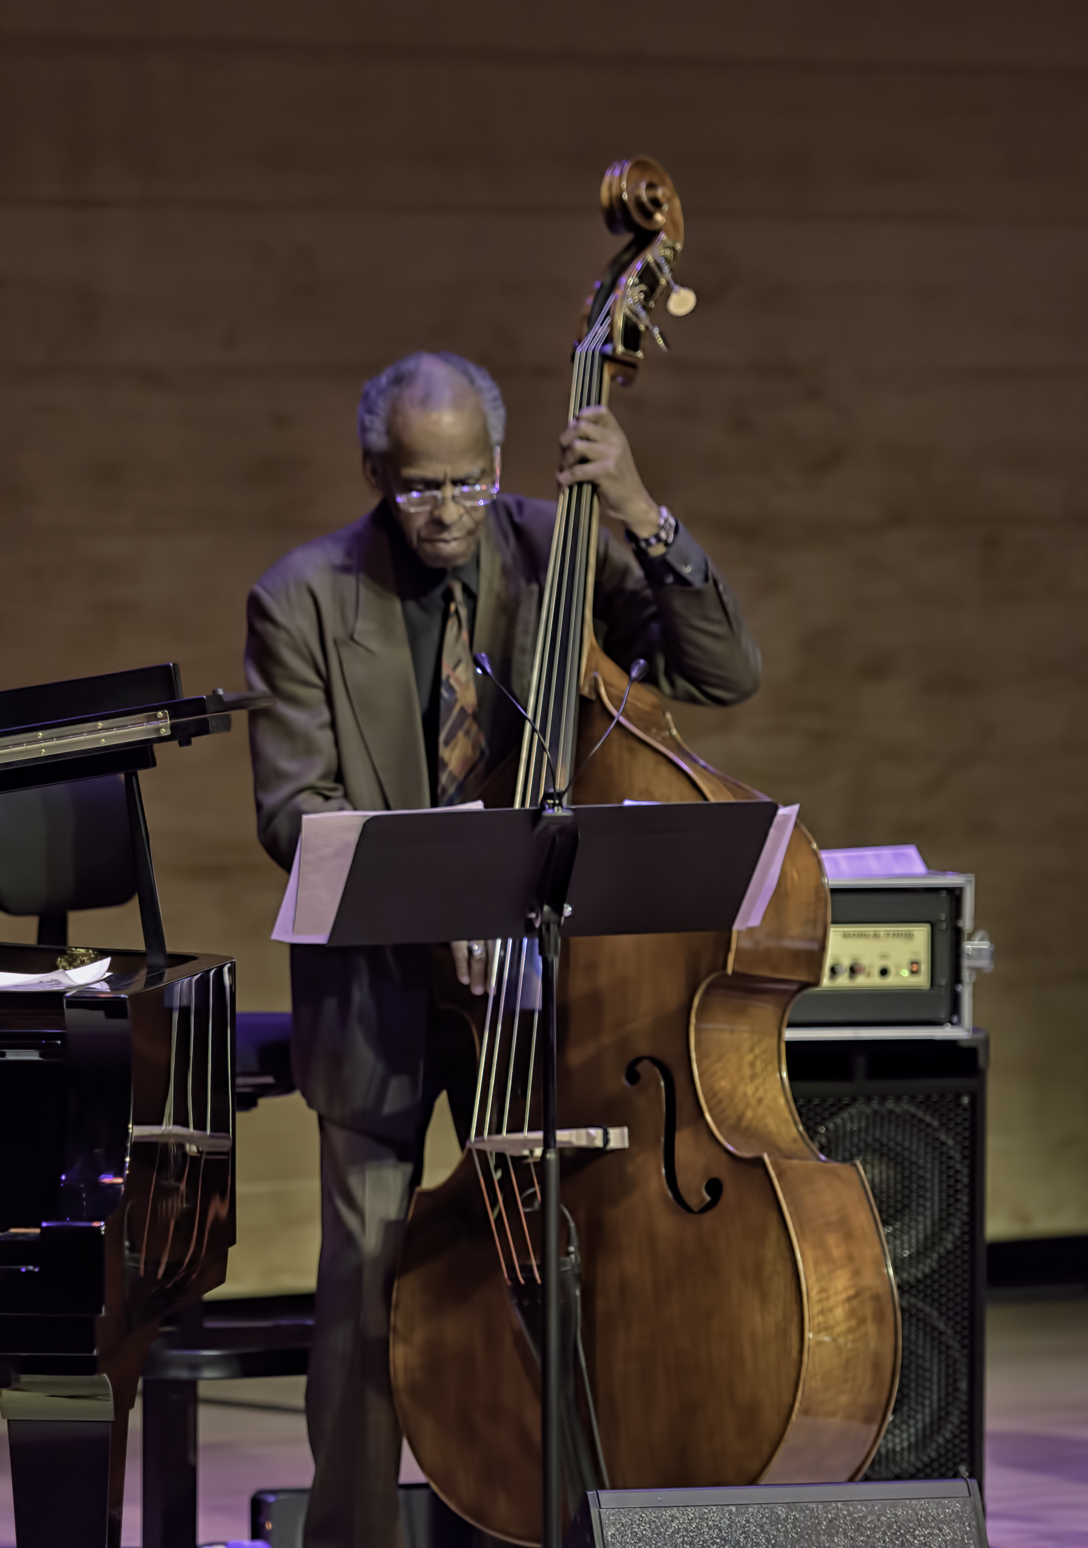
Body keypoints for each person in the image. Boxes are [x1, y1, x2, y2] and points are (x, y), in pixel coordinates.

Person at [243, 352, 763, 1548]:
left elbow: (724, 672)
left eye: (468, 485)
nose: (446, 513)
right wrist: (446, 907)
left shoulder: (560, 547)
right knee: (366, 1293)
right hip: (380, 994)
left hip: (544, 1001)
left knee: (556, 1278)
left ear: (498, 467)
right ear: (377, 472)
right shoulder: (301, 596)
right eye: (422, 488)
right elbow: (295, 814)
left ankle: (562, 1523)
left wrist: (639, 508)